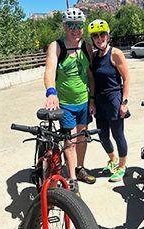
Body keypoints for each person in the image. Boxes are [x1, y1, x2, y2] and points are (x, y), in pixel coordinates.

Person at [44, 8, 96, 194]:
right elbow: (49, 71)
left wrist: (92, 99)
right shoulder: (56, 46)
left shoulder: (86, 46)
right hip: (65, 103)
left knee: (82, 138)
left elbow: (90, 75)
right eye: (71, 25)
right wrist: (51, 92)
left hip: (83, 101)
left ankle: (80, 168)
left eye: (79, 25)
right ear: (65, 27)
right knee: (70, 141)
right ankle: (72, 179)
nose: (76, 29)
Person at [88, 19, 129, 182]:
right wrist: (92, 101)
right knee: (103, 135)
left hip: (114, 99)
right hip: (99, 100)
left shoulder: (115, 53)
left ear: (108, 35)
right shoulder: (95, 56)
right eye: (96, 36)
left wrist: (124, 103)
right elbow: (92, 80)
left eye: (102, 34)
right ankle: (112, 159)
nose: (99, 38)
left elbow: (126, 79)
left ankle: (122, 165)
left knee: (118, 134)